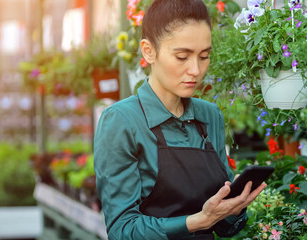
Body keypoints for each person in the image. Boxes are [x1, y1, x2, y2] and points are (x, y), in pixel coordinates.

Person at [94, 0, 267, 239]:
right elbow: (122, 230)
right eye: (182, 56)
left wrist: (234, 207)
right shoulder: (122, 121)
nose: (196, 70)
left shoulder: (209, 116)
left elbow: (226, 227)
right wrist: (196, 222)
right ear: (148, 51)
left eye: (204, 56)